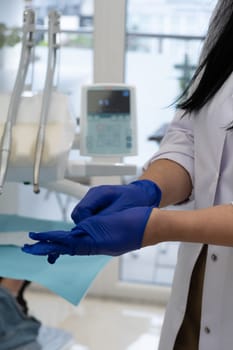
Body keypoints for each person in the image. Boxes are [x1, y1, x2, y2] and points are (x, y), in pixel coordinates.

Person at [22, 0, 233, 349]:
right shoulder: (226, 14)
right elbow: (190, 134)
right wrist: (149, 188)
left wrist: (162, 226)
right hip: (198, 297)